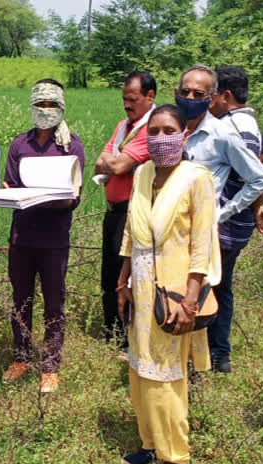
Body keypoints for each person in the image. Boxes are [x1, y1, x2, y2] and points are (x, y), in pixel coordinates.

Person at [117, 105, 220, 464]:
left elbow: (202, 245)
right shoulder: (142, 173)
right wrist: (122, 279)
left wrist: (190, 301)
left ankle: (177, 457)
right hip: (140, 285)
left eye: (169, 130)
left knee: (165, 373)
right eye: (155, 131)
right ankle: (149, 443)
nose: (161, 138)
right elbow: (131, 230)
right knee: (139, 365)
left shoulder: (196, 178)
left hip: (174, 292)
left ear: (184, 135)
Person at [175, 64, 263, 373]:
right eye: (185, 91)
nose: (190, 97)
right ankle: (200, 356)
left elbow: (258, 176)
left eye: (199, 93)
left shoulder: (224, 133)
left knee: (201, 294)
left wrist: (221, 212)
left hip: (209, 233)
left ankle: (201, 362)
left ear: (214, 96)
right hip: (171, 232)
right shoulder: (169, 127)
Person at [0, 79, 85, 393]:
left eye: (51, 105)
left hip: (54, 238)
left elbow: (73, 197)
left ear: (61, 107)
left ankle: (50, 366)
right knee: (20, 299)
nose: (45, 111)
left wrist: (53, 199)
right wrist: (11, 194)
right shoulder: (19, 145)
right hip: (22, 235)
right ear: (32, 107)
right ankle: (21, 357)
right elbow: (10, 185)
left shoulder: (70, 145)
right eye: (40, 105)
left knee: (53, 302)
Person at [204, 65, 263, 373]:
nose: (206, 101)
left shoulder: (231, 128)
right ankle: (219, 354)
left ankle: (208, 353)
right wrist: (255, 204)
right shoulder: (248, 123)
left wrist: (231, 206)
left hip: (224, 223)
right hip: (238, 221)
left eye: (210, 94)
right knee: (223, 286)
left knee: (206, 286)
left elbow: (254, 173)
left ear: (225, 95)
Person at [94, 71, 156, 349]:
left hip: (132, 213)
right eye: (124, 99)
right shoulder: (124, 126)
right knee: (109, 275)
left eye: (132, 99)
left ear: (150, 97)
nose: (127, 105)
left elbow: (116, 166)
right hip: (113, 212)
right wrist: (115, 160)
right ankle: (112, 332)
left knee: (126, 275)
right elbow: (99, 163)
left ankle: (127, 338)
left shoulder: (152, 127)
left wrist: (115, 161)